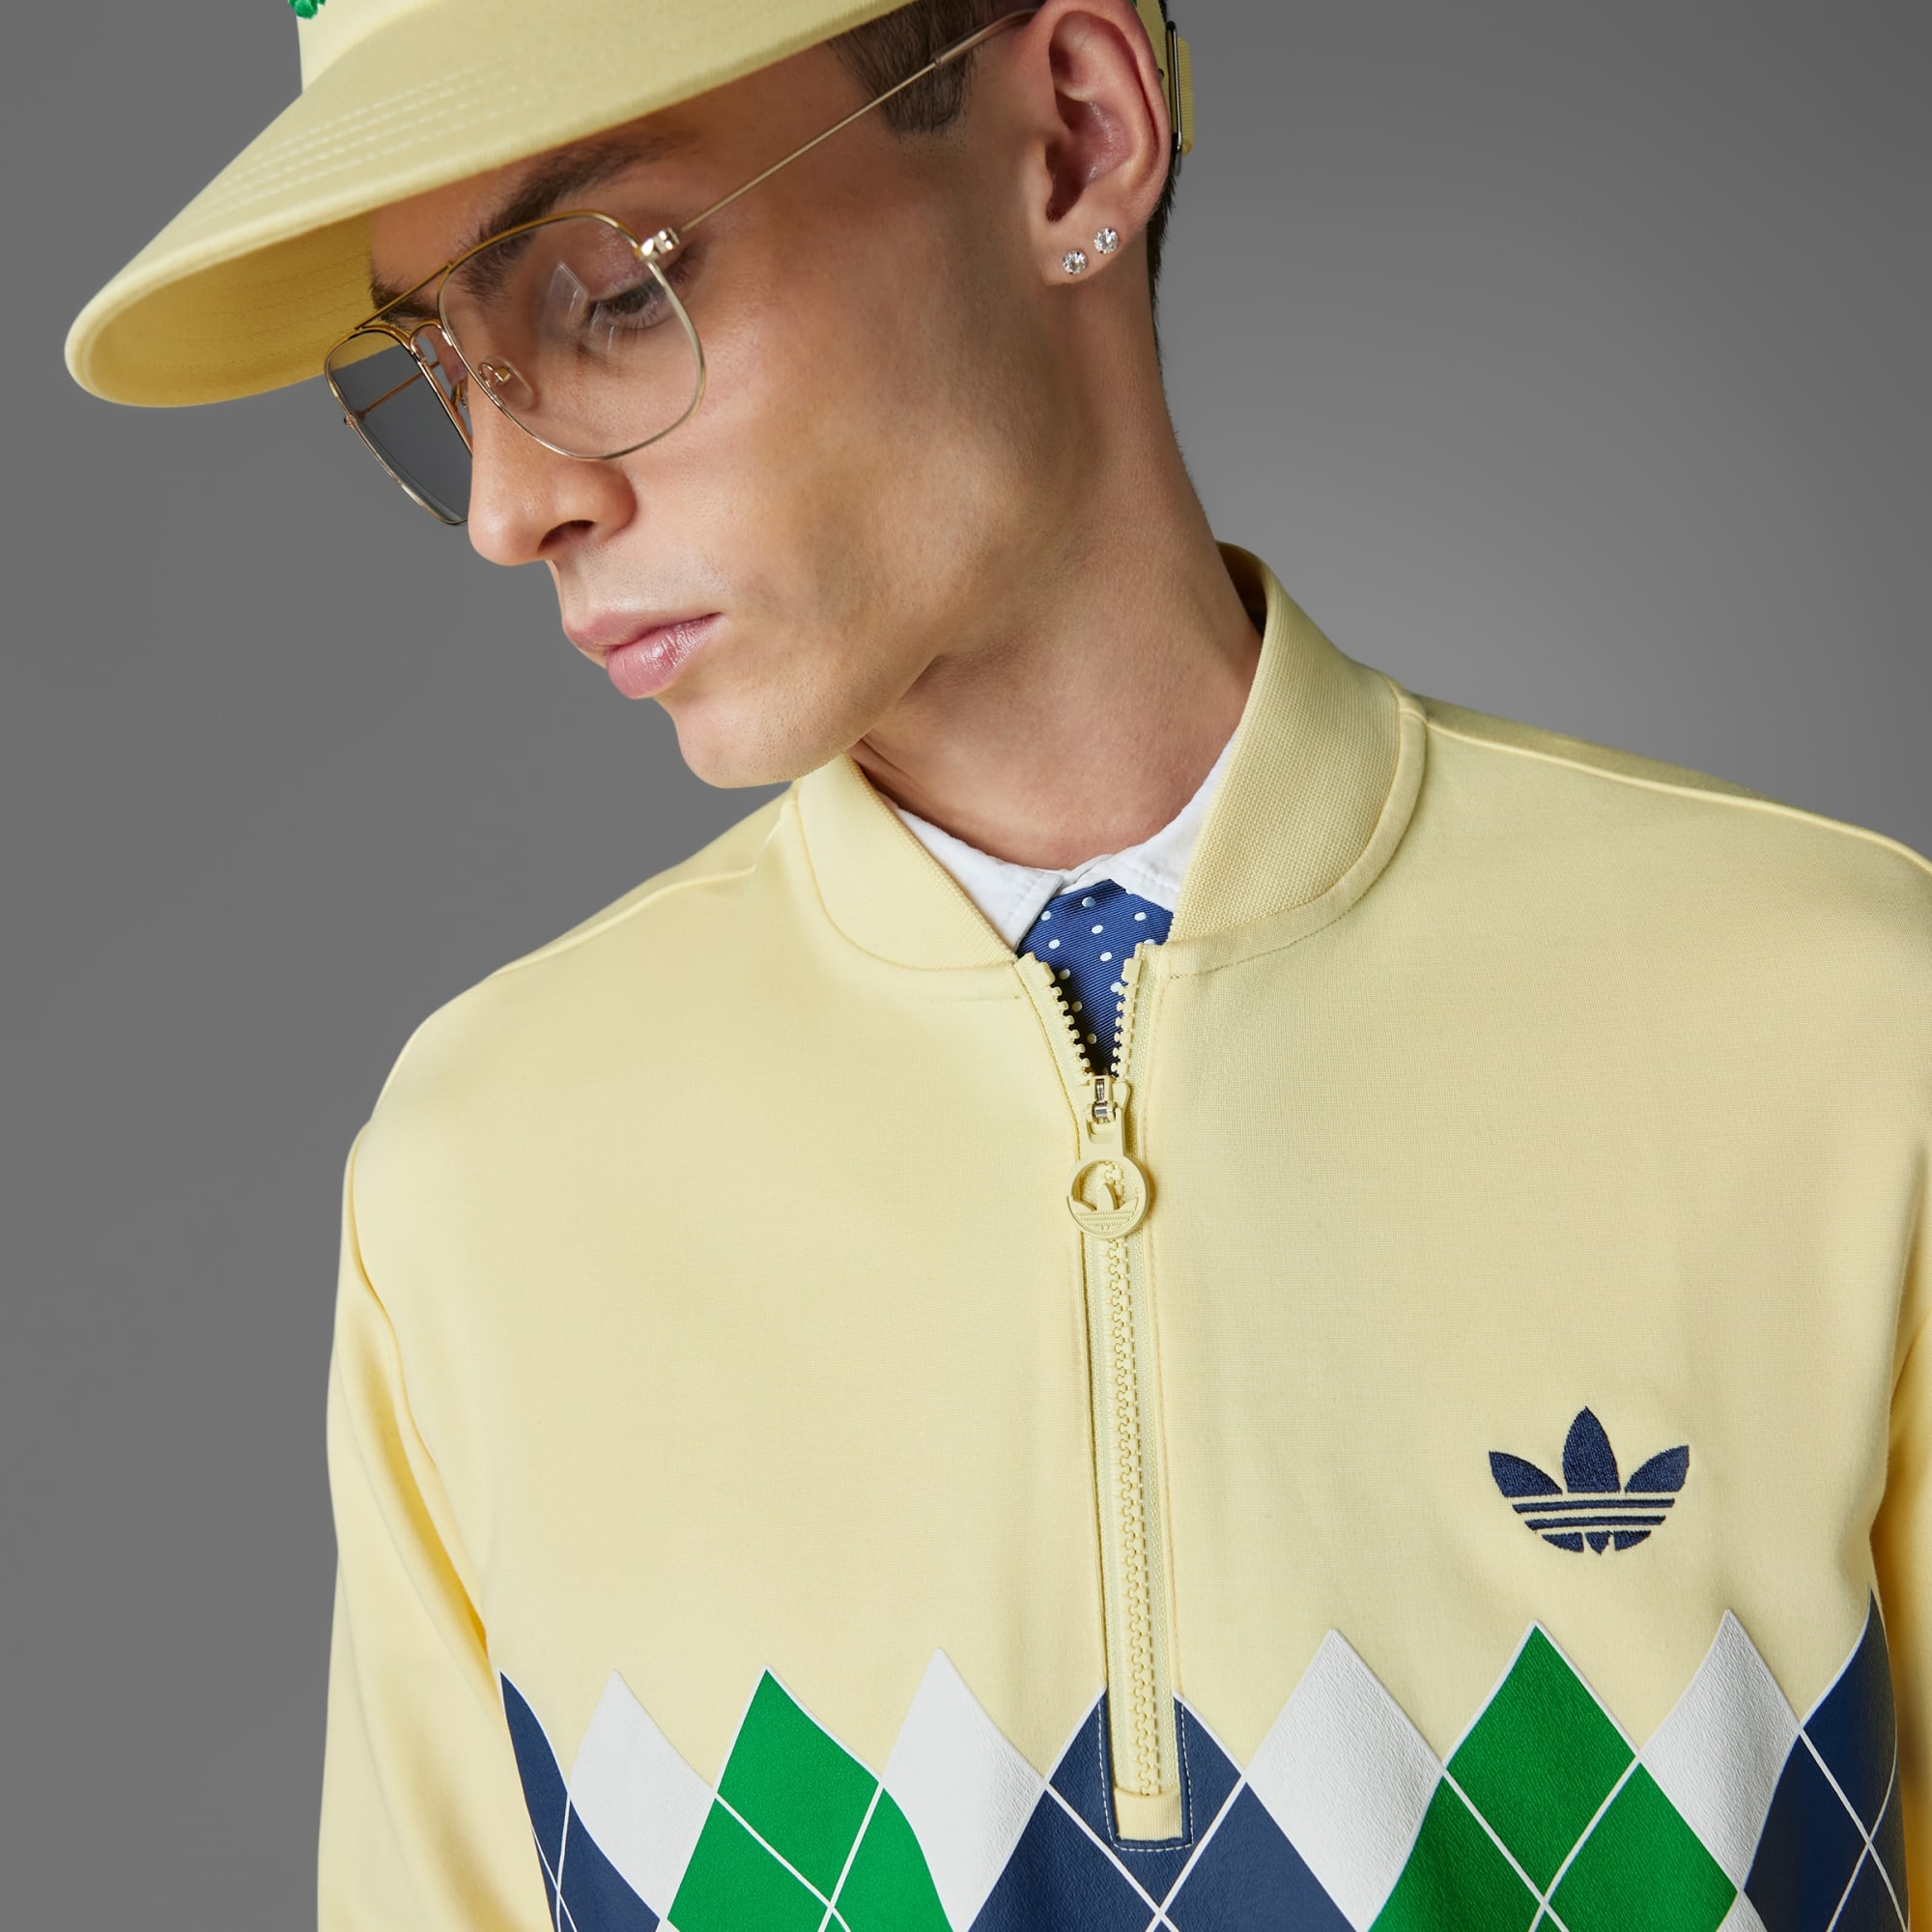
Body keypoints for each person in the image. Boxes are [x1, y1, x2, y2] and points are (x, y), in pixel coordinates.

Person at [68, 2, 1927, 1927]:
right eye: (439, 369)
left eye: (607, 293)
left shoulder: (1850, 1030)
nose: (504, 504)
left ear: (1072, 136)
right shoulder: (480, 1185)